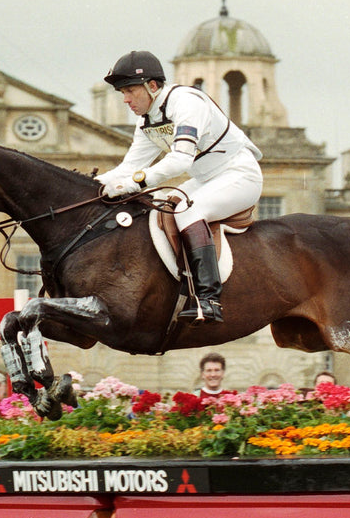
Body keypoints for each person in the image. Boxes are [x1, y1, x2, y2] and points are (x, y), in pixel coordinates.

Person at [96, 51, 264, 324]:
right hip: (206, 178)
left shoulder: (186, 102)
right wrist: (94, 186)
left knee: (187, 212)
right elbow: (127, 167)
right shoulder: (148, 119)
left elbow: (180, 160)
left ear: (152, 86)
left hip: (238, 175)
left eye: (129, 91)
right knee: (163, 207)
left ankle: (208, 299)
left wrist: (132, 184)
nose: (125, 99)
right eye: (122, 93)